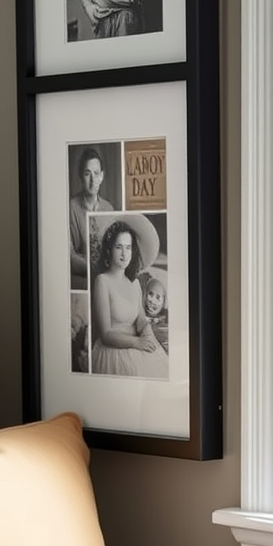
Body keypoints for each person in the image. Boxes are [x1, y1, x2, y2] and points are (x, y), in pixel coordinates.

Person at [90, 216, 168, 377]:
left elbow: (140, 320)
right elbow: (105, 335)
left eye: (129, 247)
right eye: (119, 247)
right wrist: (137, 342)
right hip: (113, 350)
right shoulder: (102, 281)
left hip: (136, 344)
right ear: (109, 249)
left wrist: (147, 334)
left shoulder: (135, 284)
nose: (125, 254)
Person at [69, 146, 113, 286]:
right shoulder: (71, 207)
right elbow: (68, 255)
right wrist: (95, 269)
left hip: (106, 279)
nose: (93, 180)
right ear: (81, 176)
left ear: (102, 176)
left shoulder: (109, 208)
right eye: (87, 174)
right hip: (82, 279)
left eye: (96, 173)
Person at [139, 270, 169, 353]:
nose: (152, 300)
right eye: (150, 294)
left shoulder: (164, 329)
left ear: (164, 302)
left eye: (158, 297)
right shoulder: (137, 318)